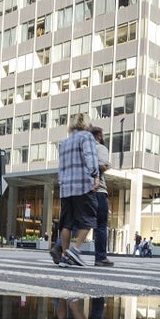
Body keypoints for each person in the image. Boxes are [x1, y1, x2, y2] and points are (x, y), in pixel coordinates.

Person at [48, 114, 100, 267]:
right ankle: (75, 250)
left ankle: (64, 256)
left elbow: (61, 167)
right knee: (89, 217)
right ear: (86, 123)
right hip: (83, 184)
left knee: (67, 223)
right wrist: (95, 175)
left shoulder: (65, 142)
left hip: (66, 188)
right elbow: (90, 157)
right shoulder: (86, 137)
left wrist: (61, 183)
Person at [89, 126, 113, 266]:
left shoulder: (84, 149)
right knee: (101, 225)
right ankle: (100, 257)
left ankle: (61, 247)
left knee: (79, 223)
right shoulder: (101, 148)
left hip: (83, 190)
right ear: (98, 136)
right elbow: (101, 166)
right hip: (99, 190)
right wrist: (107, 165)